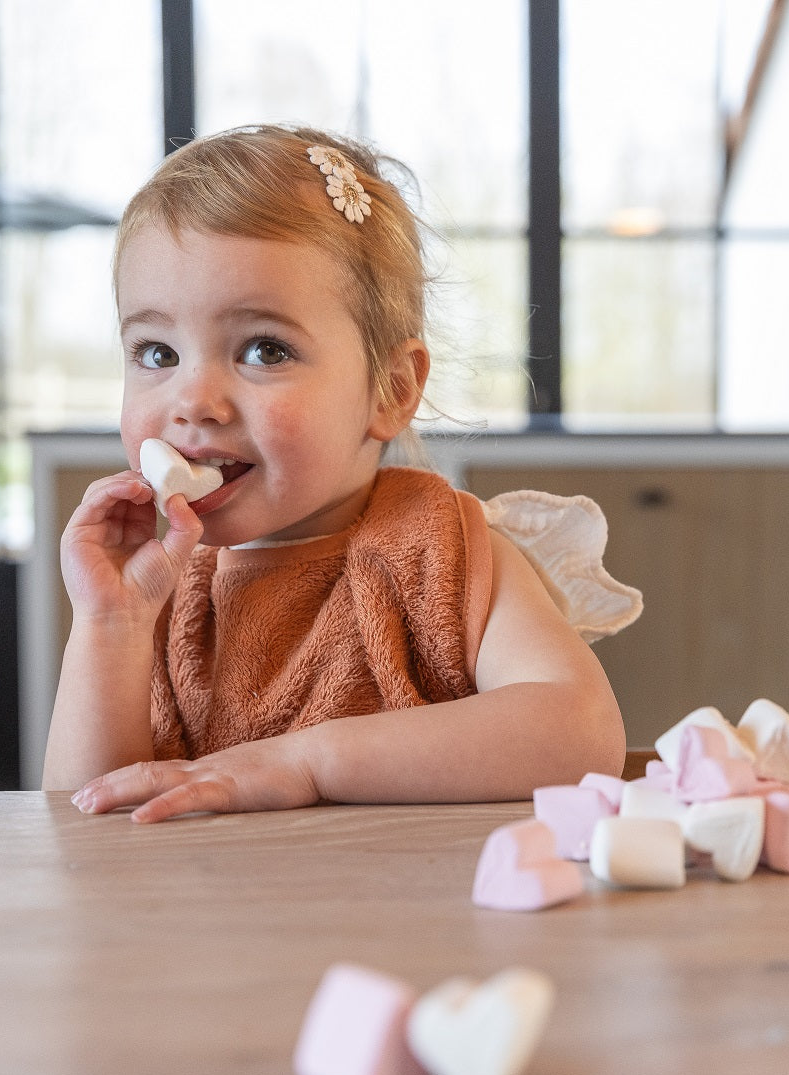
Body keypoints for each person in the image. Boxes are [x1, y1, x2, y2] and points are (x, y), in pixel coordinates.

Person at [43, 124, 641, 822]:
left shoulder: (438, 553)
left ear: (389, 389)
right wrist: (110, 625)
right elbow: (86, 814)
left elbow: (580, 730)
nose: (192, 402)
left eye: (264, 350)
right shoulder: (160, 587)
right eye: (155, 352)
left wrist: (304, 760)